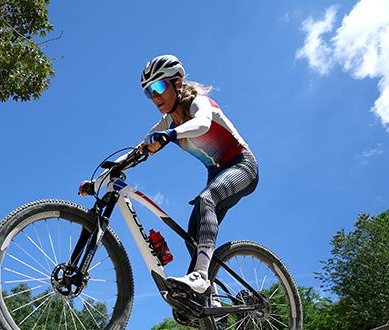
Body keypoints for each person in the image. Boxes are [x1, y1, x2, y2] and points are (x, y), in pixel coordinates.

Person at [81, 54, 259, 296]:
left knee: (207, 199)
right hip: (216, 175)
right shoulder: (166, 124)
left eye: (158, 87)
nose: (154, 96)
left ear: (177, 83)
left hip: (242, 166)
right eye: (148, 92)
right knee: (191, 237)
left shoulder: (200, 103)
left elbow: (203, 124)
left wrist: (171, 135)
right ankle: (211, 299)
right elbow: (137, 152)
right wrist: (98, 181)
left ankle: (201, 276)